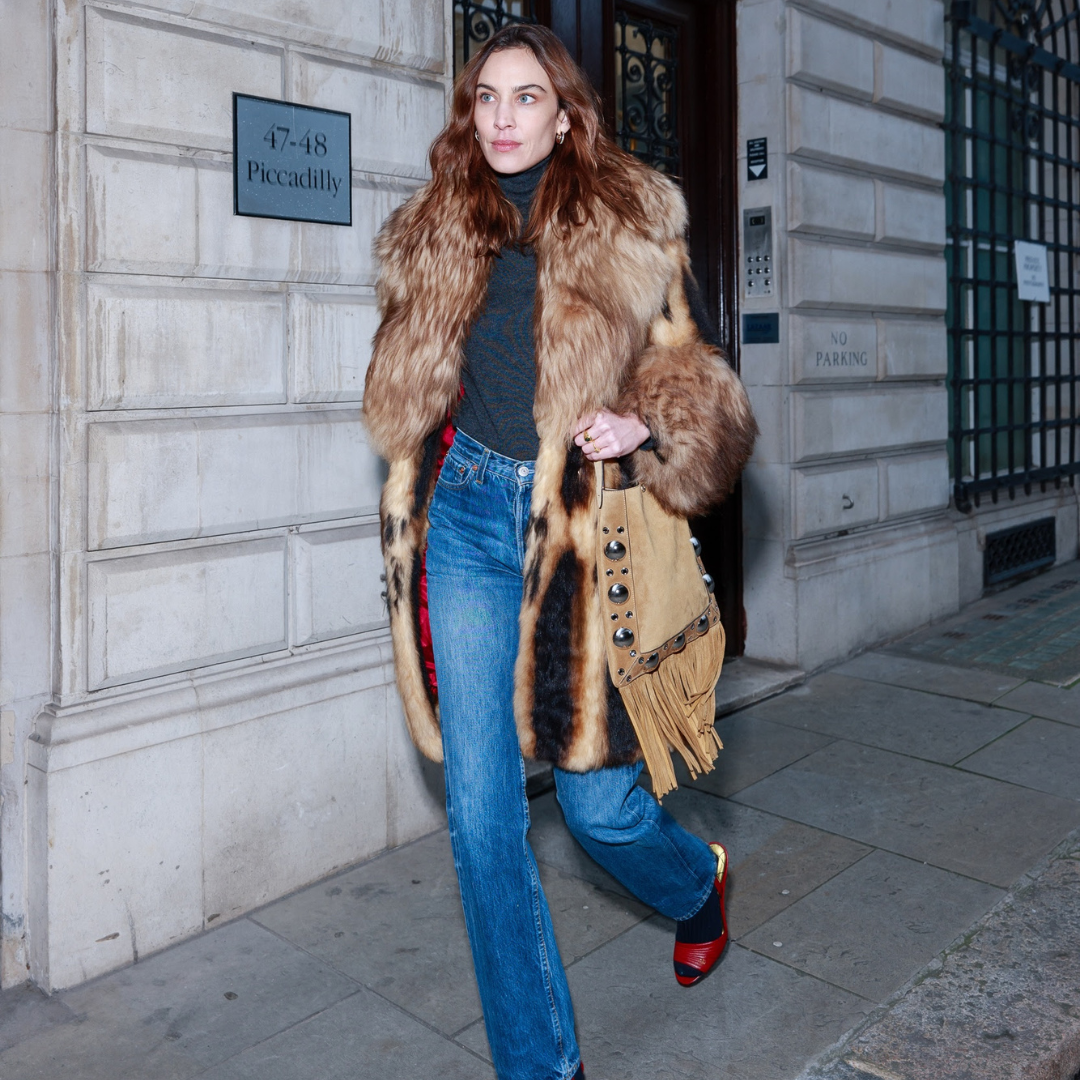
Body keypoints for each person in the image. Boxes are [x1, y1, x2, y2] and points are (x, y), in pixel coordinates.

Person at [363, 23, 757, 1080]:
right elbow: (408, 396)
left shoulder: (635, 224)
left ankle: (694, 885)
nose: (501, 116)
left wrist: (645, 426)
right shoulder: (433, 233)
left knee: (596, 808)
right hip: (468, 525)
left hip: (582, 535)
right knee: (484, 823)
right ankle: (543, 1066)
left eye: (524, 97)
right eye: (485, 97)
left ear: (566, 112)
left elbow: (702, 379)